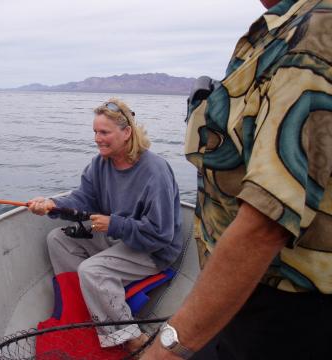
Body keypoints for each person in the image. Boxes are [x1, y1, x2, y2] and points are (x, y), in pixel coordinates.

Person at [141, 0, 332, 359]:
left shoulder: (318, 30)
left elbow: (265, 226)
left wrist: (166, 349)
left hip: (285, 305)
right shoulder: (282, 27)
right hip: (244, 292)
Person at [28, 98, 182, 352]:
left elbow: (160, 234)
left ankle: (133, 338)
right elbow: (83, 199)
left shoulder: (155, 171)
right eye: (95, 132)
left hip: (153, 249)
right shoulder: (100, 164)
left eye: (104, 132)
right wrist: (52, 204)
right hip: (119, 238)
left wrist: (115, 225)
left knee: (92, 270)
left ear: (127, 132)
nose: (97, 138)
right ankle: (89, 307)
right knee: (57, 239)